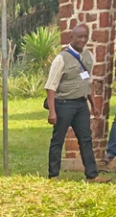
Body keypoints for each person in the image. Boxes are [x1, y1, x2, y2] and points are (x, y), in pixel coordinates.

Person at [45, 25, 107, 182]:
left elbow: (87, 82)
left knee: (86, 139)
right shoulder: (62, 58)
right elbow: (51, 87)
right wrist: (52, 112)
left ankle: (92, 175)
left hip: (81, 105)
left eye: (85, 36)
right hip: (63, 104)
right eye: (79, 37)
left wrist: (93, 105)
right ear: (71, 38)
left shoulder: (87, 56)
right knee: (58, 139)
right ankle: (54, 175)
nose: (83, 40)